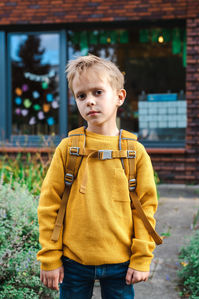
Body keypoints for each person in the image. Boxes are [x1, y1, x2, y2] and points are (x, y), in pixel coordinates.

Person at [37, 54, 158, 299]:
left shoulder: (135, 152)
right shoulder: (68, 149)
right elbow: (49, 205)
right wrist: (50, 257)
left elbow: (145, 210)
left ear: (119, 97)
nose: (89, 101)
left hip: (121, 264)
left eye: (98, 92)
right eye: (81, 95)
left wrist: (142, 258)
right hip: (73, 262)